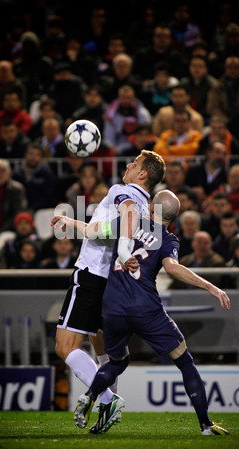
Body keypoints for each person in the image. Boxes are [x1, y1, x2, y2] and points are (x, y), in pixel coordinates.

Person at [74, 190, 230, 436]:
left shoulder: (127, 221)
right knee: (184, 360)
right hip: (145, 308)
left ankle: (90, 394)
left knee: (117, 361)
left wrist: (66, 222)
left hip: (113, 306)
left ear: (150, 206)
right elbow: (173, 268)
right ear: (175, 216)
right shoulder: (168, 240)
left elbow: (91, 231)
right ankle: (205, 425)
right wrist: (210, 285)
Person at [50, 150, 166, 429]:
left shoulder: (122, 191)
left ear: (143, 174)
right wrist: (74, 225)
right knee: (103, 349)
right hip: (112, 283)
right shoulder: (144, 206)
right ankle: (105, 410)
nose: (128, 164)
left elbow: (121, 221)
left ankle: (105, 397)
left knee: (64, 347)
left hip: (91, 275)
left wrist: (123, 249)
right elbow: (106, 230)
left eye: (135, 163)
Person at [103, 85, 152, 156]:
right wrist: (111, 148)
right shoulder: (111, 113)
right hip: (116, 149)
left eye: (128, 98)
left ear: (133, 98)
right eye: (123, 97)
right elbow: (108, 136)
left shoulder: (142, 113)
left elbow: (145, 135)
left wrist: (124, 147)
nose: (125, 100)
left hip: (137, 147)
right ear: (118, 98)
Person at [12, 142, 57, 212]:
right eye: (31, 154)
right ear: (25, 155)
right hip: (20, 210)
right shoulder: (18, 173)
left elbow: (48, 196)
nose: (33, 157)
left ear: (41, 158)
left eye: (37, 155)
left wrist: (33, 209)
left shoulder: (46, 173)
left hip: (41, 211)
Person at [185, 140, 228, 208]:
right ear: (209, 152)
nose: (220, 156)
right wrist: (193, 191)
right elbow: (185, 188)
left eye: (223, 154)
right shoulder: (194, 170)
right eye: (217, 152)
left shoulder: (227, 175)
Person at [180, 55, 216, 123]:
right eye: (194, 66)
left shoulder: (213, 85)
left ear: (206, 69)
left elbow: (212, 108)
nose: (197, 69)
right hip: (185, 117)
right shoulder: (183, 83)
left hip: (206, 119)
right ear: (189, 68)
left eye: (200, 66)